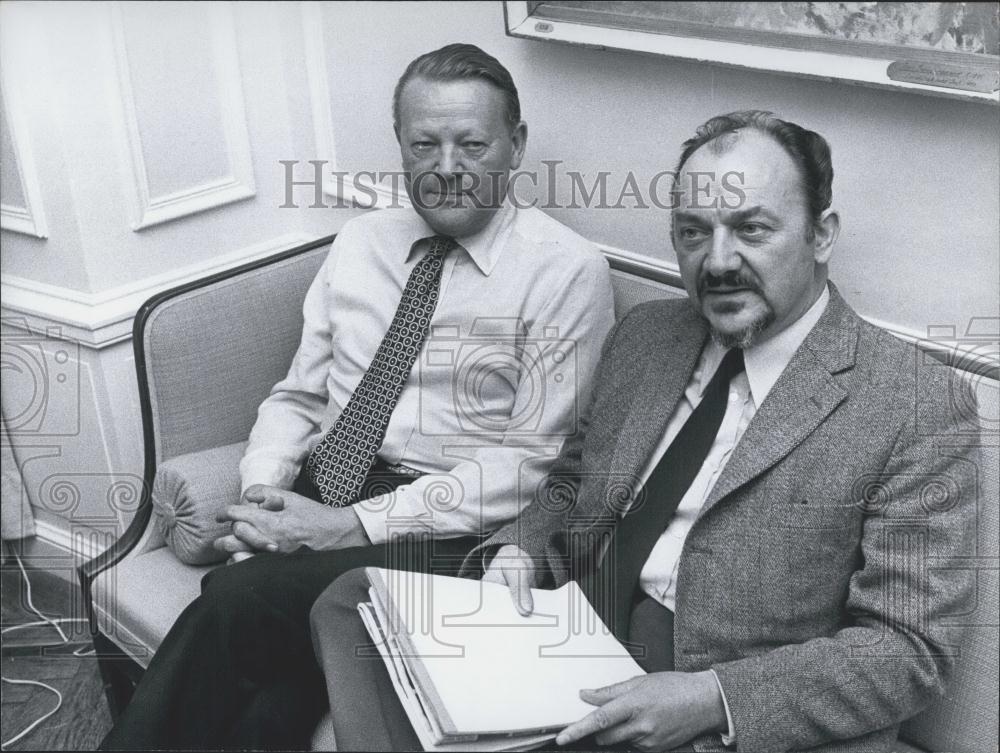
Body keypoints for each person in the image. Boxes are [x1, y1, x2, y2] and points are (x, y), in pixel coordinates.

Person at [314, 111, 979, 752]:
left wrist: (712, 698)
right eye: (693, 233)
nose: (717, 262)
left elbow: (908, 647)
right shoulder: (647, 337)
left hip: (709, 697)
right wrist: (520, 548)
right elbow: (573, 480)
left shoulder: (914, 403)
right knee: (351, 605)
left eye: (752, 230)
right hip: (571, 637)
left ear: (822, 233)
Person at [100, 43, 614, 751]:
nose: (447, 167)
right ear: (400, 146)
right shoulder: (361, 242)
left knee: (232, 599)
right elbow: (298, 393)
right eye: (424, 143)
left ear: (516, 145)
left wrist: (351, 527)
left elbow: (532, 462)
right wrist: (261, 496)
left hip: (448, 527)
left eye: (472, 143)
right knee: (269, 709)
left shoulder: (567, 272)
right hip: (325, 483)